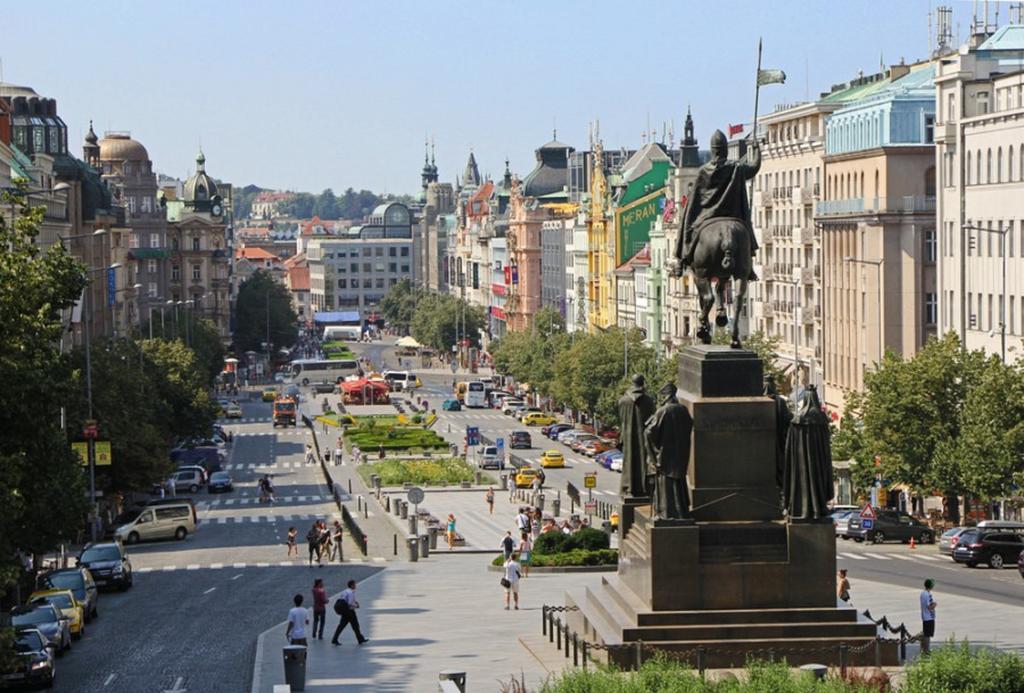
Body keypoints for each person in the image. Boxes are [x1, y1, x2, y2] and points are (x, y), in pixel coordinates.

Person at [331, 579, 368, 645]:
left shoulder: (345, 591)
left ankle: (334, 639)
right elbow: (350, 603)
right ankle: (360, 639)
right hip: (350, 611)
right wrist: (356, 606)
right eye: (354, 584)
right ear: (351, 585)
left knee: (341, 625)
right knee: (355, 625)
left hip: (344, 611)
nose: (355, 585)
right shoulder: (350, 593)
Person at [920, 579, 936, 655]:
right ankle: (926, 650)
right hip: (928, 617)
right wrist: (934, 605)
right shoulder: (927, 594)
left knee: (927, 634)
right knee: (927, 635)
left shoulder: (923, 593)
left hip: (927, 616)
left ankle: (926, 649)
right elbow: (929, 607)